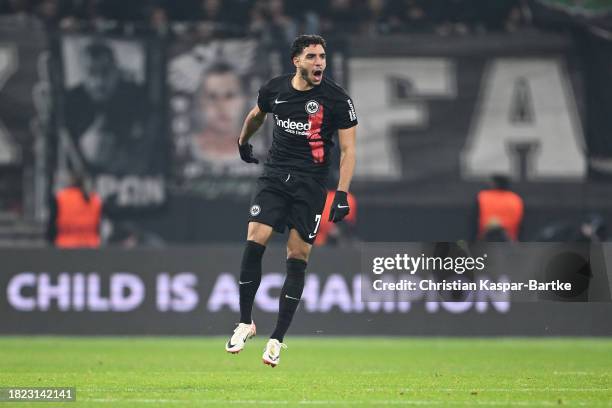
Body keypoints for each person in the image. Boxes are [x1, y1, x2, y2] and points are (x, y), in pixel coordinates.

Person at [225, 34, 358, 367]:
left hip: (311, 186)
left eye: (323, 57)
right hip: (275, 176)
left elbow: (349, 149)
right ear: (296, 61)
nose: (319, 63)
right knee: (255, 239)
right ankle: (245, 322)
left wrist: (341, 192)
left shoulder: (337, 99)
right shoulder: (276, 89)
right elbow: (257, 115)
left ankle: (277, 339)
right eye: (312, 57)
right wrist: (243, 141)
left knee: (297, 256)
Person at [64, 40, 148, 174]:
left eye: (105, 71)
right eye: (91, 72)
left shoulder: (136, 96)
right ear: (83, 75)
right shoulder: (71, 100)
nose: (99, 81)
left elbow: (146, 140)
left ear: (116, 70)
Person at [47, 173, 102, 248]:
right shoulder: (94, 199)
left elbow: (52, 224)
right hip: (90, 245)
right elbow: (99, 224)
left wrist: (50, 241)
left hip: (65, 245)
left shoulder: (60, 198)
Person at [474, 174, 524, 241]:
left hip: (486, 239)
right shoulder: (515, 199)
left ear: (495, 184)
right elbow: (521, 223)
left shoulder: (483, 197)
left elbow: (474, 221)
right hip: (509, 240)